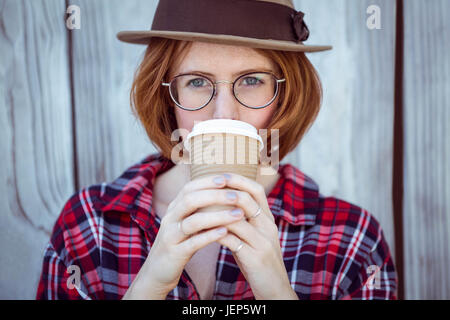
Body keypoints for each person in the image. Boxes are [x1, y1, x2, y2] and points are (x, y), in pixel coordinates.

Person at [36, 0, 397, 300]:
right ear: (165, 95)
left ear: (286, 94)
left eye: (252, 80)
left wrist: (276, 289)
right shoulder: (88, 227)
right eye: (196, 82)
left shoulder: (352, 242)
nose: (224, 113)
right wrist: (149, 287)